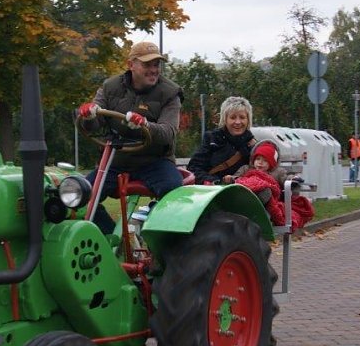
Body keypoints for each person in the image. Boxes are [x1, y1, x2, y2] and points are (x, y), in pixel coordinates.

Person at [77, 41, 183, 234]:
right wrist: (88, 116)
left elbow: (168, 133)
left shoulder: (170, 93)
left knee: (174, 194)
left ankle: (153, 238)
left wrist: (146, 126)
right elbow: (94, 123)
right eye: (147, 64)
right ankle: (111, 240)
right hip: (115, 161)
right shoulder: (110, 87)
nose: (153, 70)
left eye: (156, 65)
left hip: (154, 161)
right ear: (131, 64)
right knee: (80, 197)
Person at [232, 141, 315, 230]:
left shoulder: (278, 172)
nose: (260, 162)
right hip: (248, 195)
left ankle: (263, 219)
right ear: (253, 160)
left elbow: (285, 178)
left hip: (267, 202)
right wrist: (231, 178)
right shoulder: (246, 169)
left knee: (266, 191)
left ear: (271, 163)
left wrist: (292, 178)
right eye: (258, 159)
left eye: (265, 160)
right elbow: (237, 178)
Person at [187, 96, 256, 184]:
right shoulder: (212, 139)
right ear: (225, 119)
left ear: (248, 120)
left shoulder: (252, 145)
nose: (238, 122)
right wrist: (213, 181)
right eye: (233, 117)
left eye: (242, 117)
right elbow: (194, 168)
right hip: (214, 190)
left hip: (242, 192)